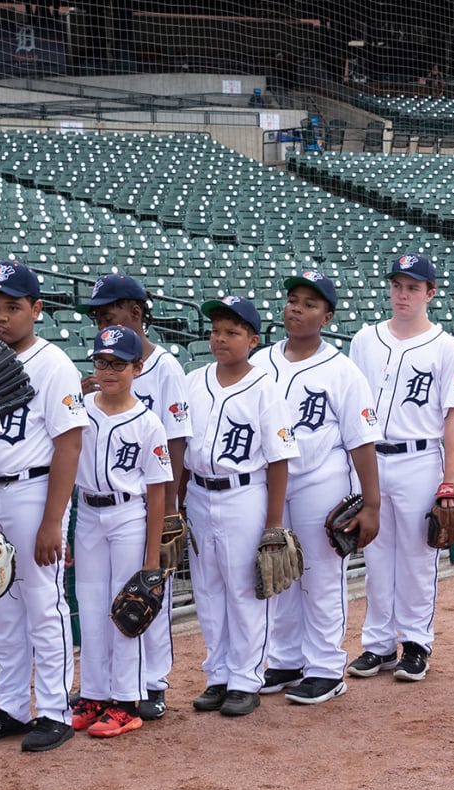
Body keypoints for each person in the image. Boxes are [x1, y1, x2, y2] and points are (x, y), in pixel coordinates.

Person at [0, 259, 84, 754]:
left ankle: (56, 710)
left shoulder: (54, 363)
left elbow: (70, 444)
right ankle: (13, 706)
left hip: (34, 489)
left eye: (12, 307)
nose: (0, 316)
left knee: (44, 604)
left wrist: (53, 520)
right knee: (2, 606)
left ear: (36, 309)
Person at [348, 254, 454, 683]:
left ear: (430, 293)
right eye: (398, 285)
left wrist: (450, 480)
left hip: (420, 458)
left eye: (413, 287)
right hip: (371, 459)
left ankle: (416, 644)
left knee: (419, 557)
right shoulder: (365, 340)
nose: (403, 294)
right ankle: (378, 645)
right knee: (377, 555)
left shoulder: (446, 346)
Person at [259, 270, 381, 705]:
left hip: (320, 479)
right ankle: (287, 659)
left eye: (309, 303)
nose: (297, 308)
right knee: (281, 573)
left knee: (321, 576)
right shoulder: (259, 362)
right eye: (293, 299)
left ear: (327, 317)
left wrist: (372, 503)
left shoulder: (342, 370)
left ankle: (327, 668)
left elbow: (362, 441)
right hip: (270, 483)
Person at [181, 295, 299, 715]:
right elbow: (179, 447)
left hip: (244, 493)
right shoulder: (194, 381)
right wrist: (177, 504)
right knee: (208, 589)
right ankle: (218, 674)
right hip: (197, 491)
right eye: (215, 331)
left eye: (231, 332)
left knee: (245, 588)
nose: (220, 338)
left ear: (252, 339)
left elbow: (280, 457)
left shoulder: (265, 387)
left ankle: (246, 677)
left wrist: (273, 523)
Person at [85, 274, 188, 720]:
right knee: (104, 600)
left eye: (111, 307)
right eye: (98, 310)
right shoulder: (104, 371)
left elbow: (177, 441)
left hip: (148, 500)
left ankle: (152, 682)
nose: (102, 314)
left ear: (136, 309)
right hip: (101, 506)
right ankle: (106, 687)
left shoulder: (165, 367)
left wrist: (171, 512)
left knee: (143, 595)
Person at [68, 326, 175, 738]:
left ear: (137, 367)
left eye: (118, 363)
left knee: (125, 609)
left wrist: (151, 561)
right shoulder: (81, 410)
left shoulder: (148, 422)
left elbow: (157, 492)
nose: (108, 370)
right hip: (89, 514)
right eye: (101, 362)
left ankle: (127, 700)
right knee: (91, 606)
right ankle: (94, 693)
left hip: (129, 514)